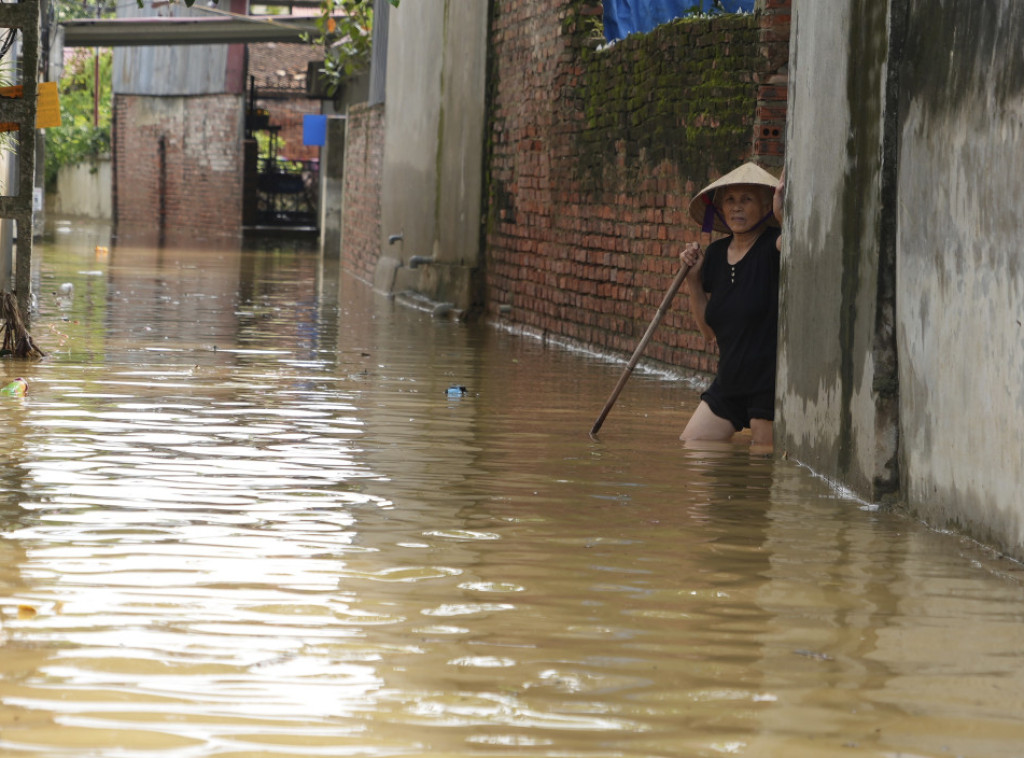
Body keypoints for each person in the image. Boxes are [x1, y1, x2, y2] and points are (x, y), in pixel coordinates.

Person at [678, 162, 784, 448]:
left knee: (763, 468)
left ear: (764, 207)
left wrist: (783, 215)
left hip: (767, 385)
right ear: (721, 209)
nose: (737, 207)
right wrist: (693, 281)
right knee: (692, 447)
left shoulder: (774, 246)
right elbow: (708, 333)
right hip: (728, 383)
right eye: (730, 200)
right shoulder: (713, 255)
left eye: (746, 199)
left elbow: (799, 243)